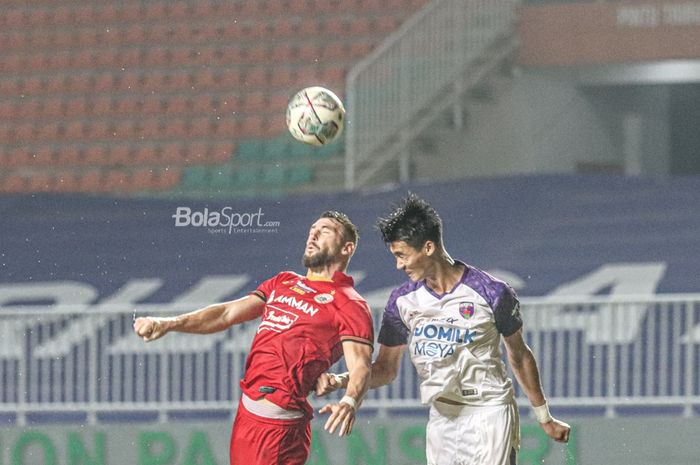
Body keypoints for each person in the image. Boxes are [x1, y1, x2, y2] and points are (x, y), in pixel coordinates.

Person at [316, 194, 570, 465]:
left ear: (428, 247)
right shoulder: (402, 301)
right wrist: (343, 380)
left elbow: (519, 355)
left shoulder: (491, 292)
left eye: (402, 255)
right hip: (441, 418)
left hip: (489, 412)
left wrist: (544, 417)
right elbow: (386, 369)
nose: (398, 265)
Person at [134, 211, 374, 465]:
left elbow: (361, 366)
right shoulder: (284, 281)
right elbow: (227, 313)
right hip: (247, 415)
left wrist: (349, 400)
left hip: (277, 429)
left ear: (347, 248)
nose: (312, 234)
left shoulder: (350, 303)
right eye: (312, 228)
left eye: (325, 230)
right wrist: (168, 323)